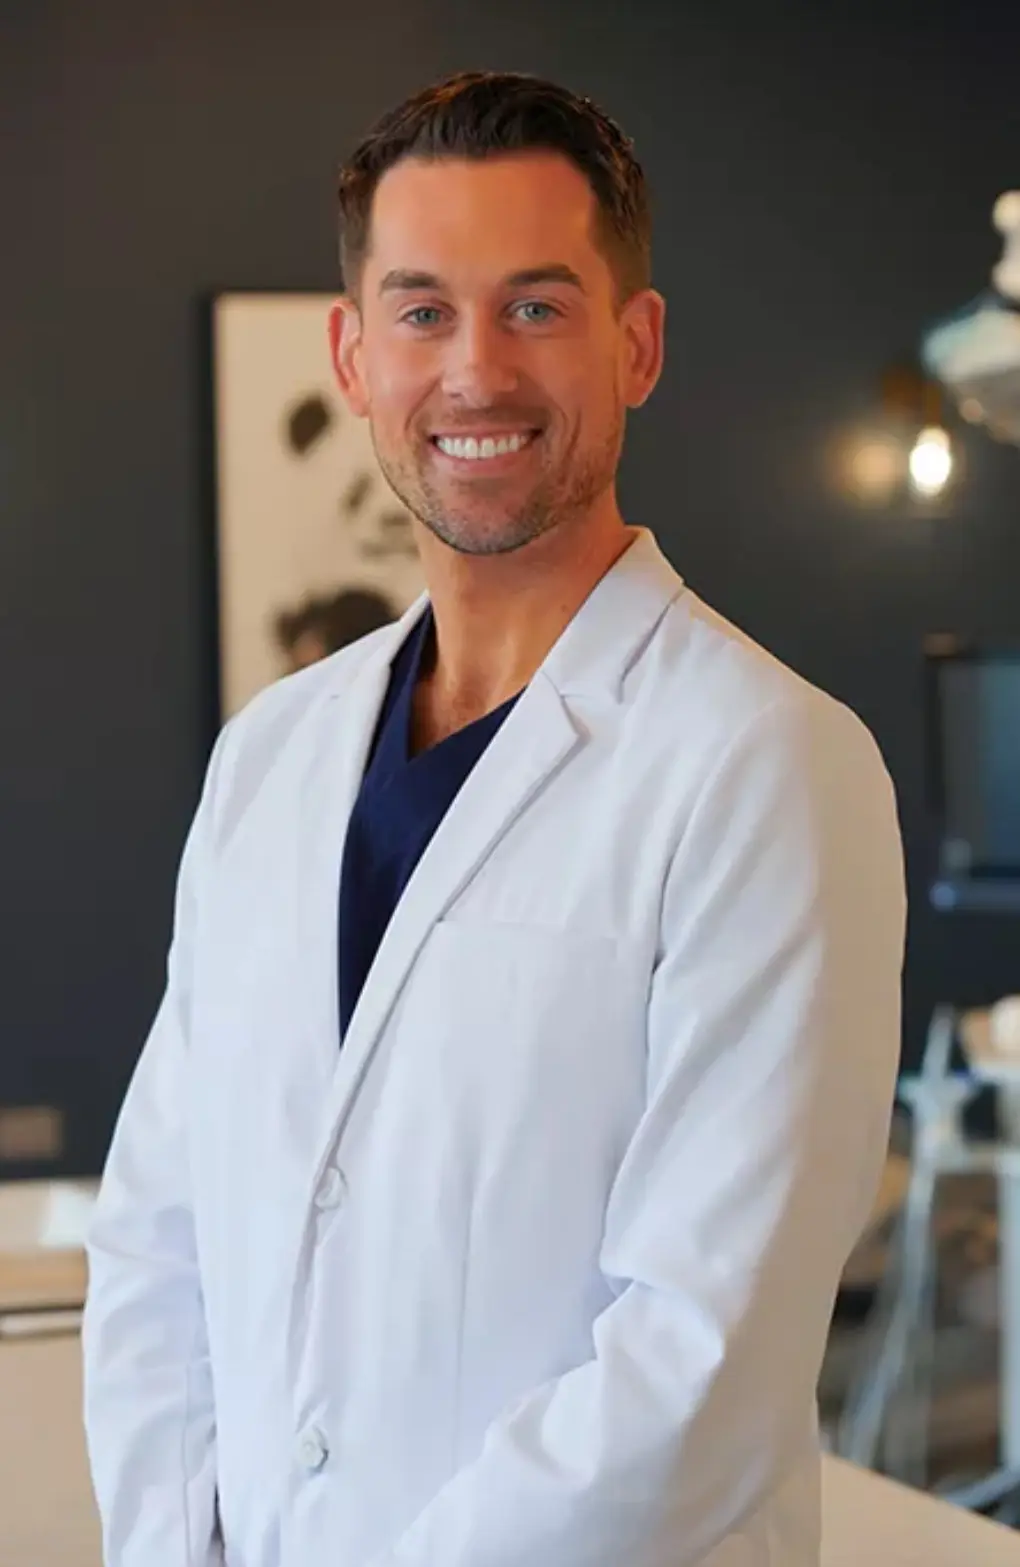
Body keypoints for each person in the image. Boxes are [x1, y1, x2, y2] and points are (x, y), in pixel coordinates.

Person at [82, 71, 906, 1567]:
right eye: (420, 311)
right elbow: (160, 1244)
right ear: (351, 352)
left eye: (536, 306)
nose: (474, 372)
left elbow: (700, 1356)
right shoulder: (269, 757)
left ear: (635, 343)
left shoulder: (770, 764)